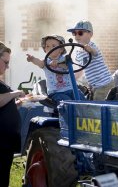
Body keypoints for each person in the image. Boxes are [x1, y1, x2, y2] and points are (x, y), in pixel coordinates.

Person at [26, 35, 86, 104]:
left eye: (53, 46)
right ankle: (69, 113)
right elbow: (39, 63)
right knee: (66, 102)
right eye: (47, 46)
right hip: (56, 92)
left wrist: (58, 63)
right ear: (45, 49)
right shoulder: (46, 61)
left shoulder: (65, 59)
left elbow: (67, 66)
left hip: (70, 89)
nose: (50, 48)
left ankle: (86, 112)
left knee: (80, 97)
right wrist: (32, 59)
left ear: (61, 49)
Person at [0, 42, 26, 187]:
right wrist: (15, 93)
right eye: (6, 62)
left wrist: (15, 104)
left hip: (5, 143)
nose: (7, 67)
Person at [67, 20, 113, 100]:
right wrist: (71, 79)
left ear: (90, 34)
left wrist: (90, 49)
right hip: (94, 86)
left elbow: (95, 52)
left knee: (96, 108)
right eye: (74, 33)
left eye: (80, 33)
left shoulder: (92, 46)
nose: (77, 36)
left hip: (104, 84)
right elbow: (81, 69)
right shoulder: (78, 51)